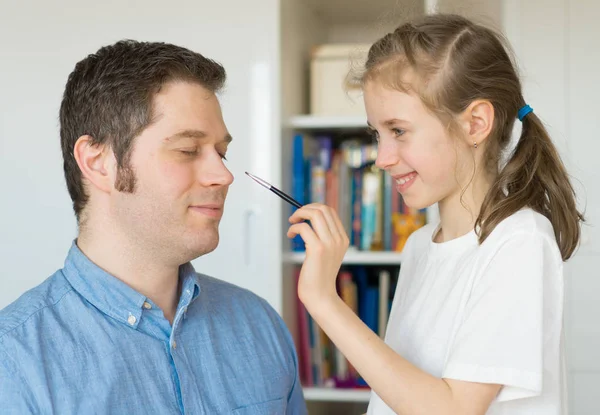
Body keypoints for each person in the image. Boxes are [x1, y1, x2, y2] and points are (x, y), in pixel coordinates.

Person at [287, 13, 583, 415]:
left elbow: (453, 409)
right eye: (377, 133)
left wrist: (324, 300)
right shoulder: (420, 246)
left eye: (399, 131)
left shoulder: (519, 241)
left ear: (475, 123)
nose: (383, 158)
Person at [0, 40, 306, 415]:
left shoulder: (260, 326)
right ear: (98, 163)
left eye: (221, 152)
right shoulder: (13, 362)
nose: (224, 175)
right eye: (188, 150)